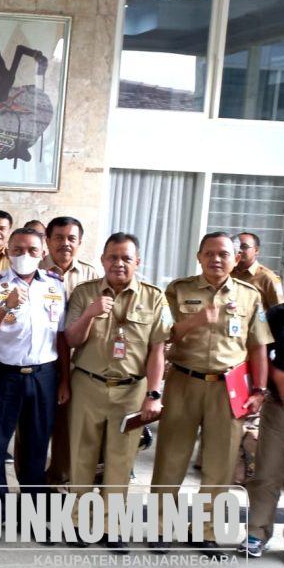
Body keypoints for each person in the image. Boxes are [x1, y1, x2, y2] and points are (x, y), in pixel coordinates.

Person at [151, 232, 271, 547]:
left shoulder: (250, 295)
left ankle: (207, 532)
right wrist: (197, 321)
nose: (216, 259)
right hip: (183, 382)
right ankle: (162, 527)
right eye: (209, 253)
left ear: (235, 258)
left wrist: (259, 389)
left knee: (220, 463)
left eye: (223, 254)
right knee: (170, 458)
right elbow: (163, 335)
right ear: (199, 256)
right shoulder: (179, 290)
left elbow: (258, 345)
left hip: (228, 387)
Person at [63, 233, 171, 548]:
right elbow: (70, 340)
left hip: (131, 390)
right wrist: (90, 313)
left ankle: (113, 527)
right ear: (102, 260)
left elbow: (157, 352)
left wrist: (154, 393)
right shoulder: (85, 293)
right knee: (81, 457)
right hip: (88, 385)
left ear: (138, 262)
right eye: (112, 257)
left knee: (120, 460)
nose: (119, 263)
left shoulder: (154, 298)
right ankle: (78, 523)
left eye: (126, 258)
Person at [0, 227, 70, 508]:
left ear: (42, 254)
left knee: (37, 446)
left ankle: (32, 510)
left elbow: (61, 336)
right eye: (17, 250)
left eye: (31, 250)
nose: (24, 255)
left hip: (44, 375)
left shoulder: (55, 285)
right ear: (7, 252)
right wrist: (6, 305)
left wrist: (64, 380)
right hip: (2, 375)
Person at [42, 215, 101, 487]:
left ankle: (58, 481)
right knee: (32, 429)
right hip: (38, 363)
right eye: (58, 238)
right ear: (48, 240)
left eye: (71, 239)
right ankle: (30, 483)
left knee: (67, 429)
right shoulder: (33, 269)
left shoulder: (93, 278)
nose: (65, 244)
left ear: (79, 242)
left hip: (77, 365)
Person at [239, 298, 284, 560]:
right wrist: (276, 379)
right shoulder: (278, 314)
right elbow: (259, 350)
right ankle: (256, 533)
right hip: (280, 406)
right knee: (268, 472)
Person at [232, 232, 283, 311]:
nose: (239, 250)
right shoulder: (227, 273)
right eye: (236, 246)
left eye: (244, 246)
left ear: (256, 250)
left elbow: (279, 312)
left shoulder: (268, 277)